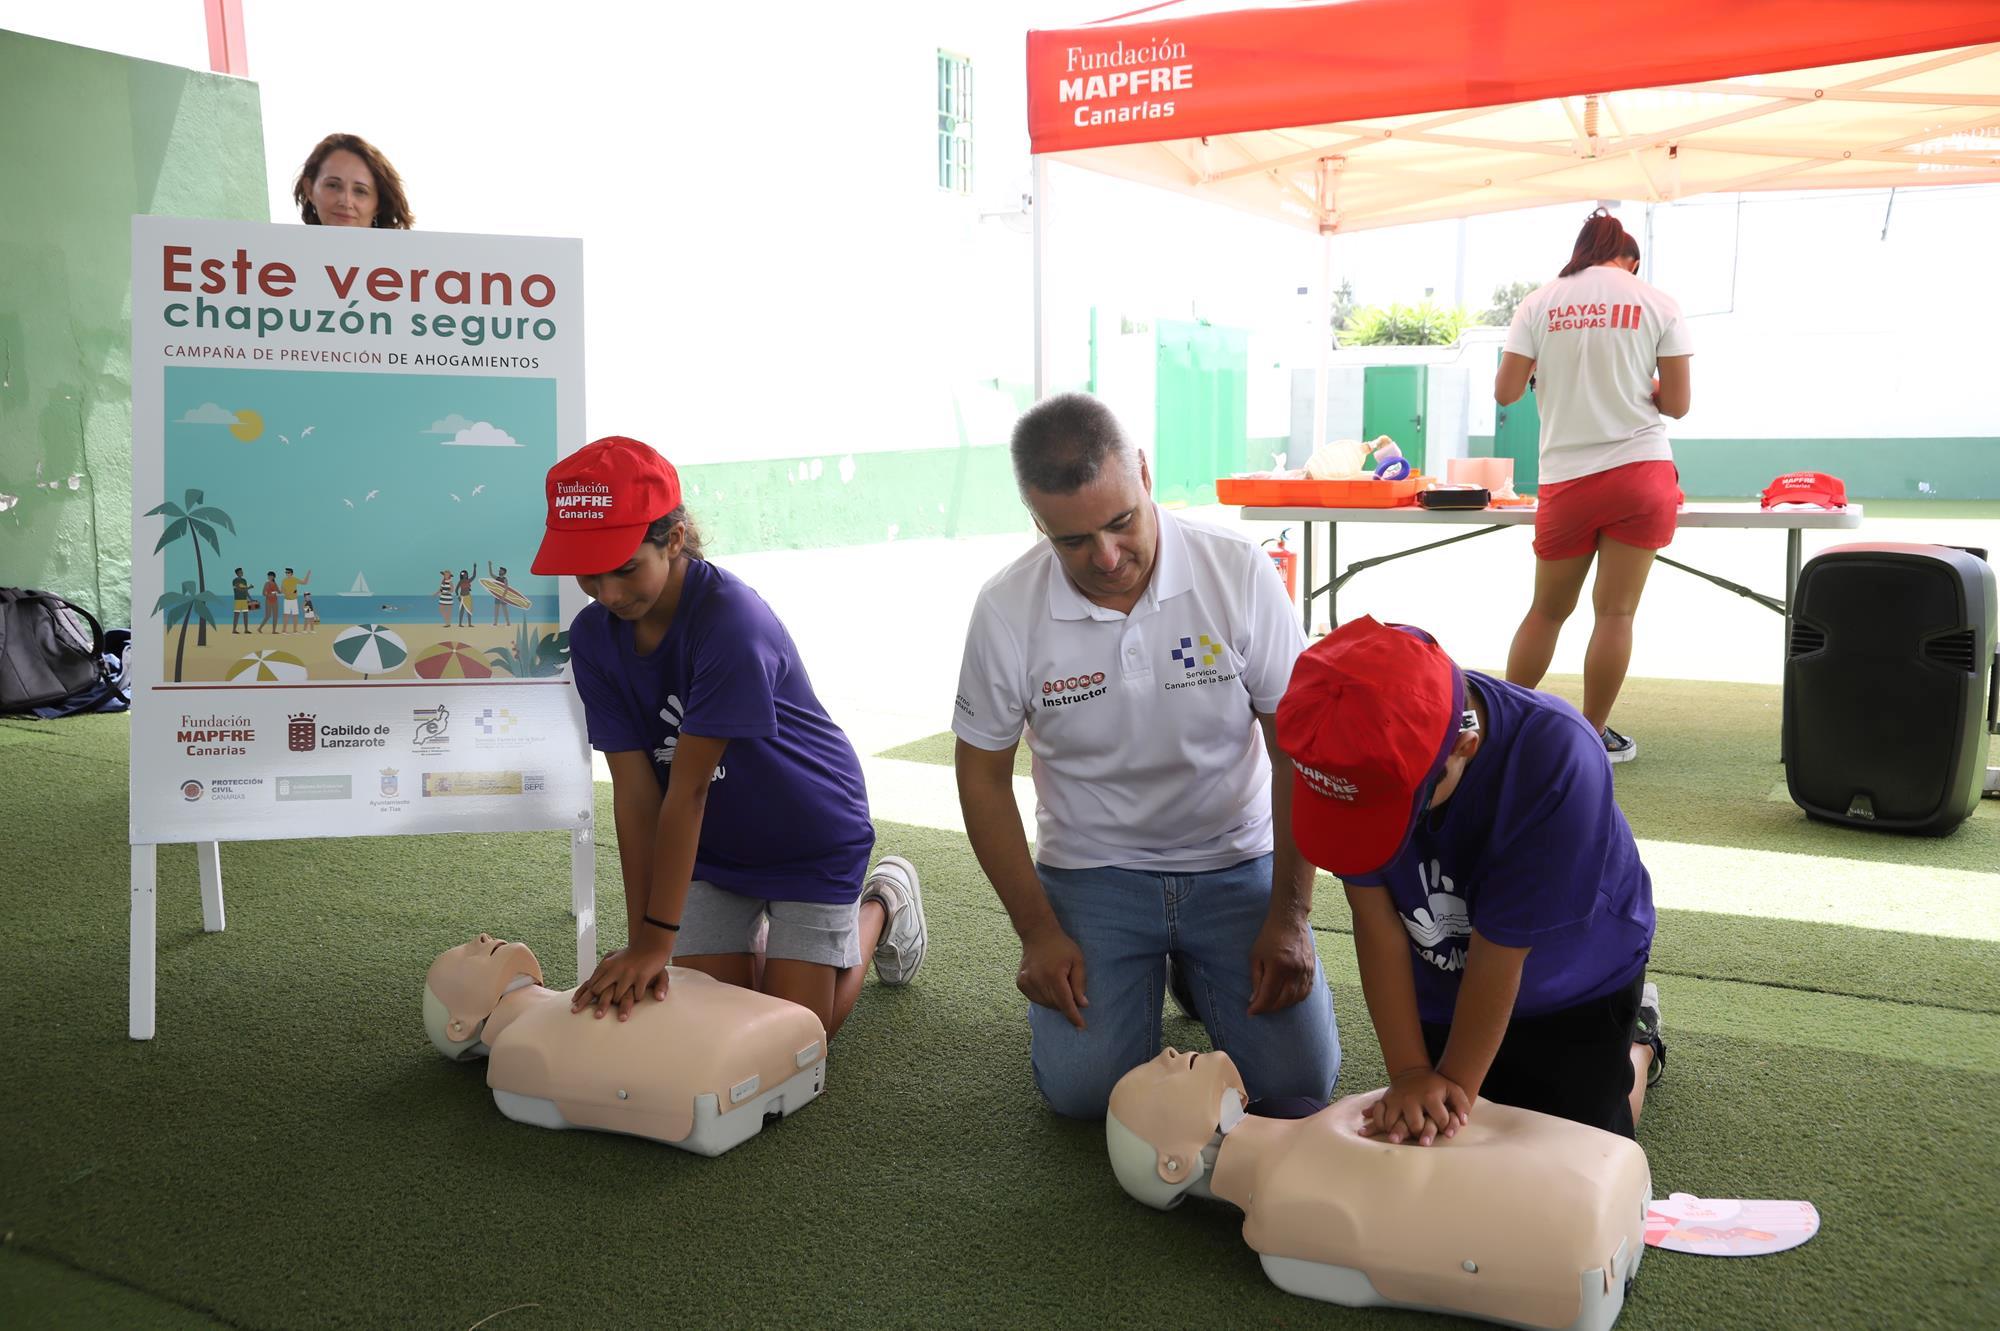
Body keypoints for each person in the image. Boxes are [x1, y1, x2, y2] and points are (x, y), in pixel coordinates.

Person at [952, 393, 1340, 1119]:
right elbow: (980, 775)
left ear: (1145, 474)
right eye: (1071, 541)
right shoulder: (1006, 607)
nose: (1106, 557)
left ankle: (1197, 964)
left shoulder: (1239, 570)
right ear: (1038, 523)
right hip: (1094, 870)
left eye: (1121, 520)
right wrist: (1037, 929)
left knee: (1300, 1087)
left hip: (1234, 858)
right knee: (1082, 1094)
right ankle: (1167, 961)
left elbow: (1296, 751)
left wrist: (1289, 912)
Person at [533, 435, 927, 1041]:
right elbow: (637, 794)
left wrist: (656, 943)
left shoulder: (729, 622)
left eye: (625, 568)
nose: (608, 593)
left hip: (808, 832)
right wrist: (644, 939)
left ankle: (883, 902)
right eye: (589, 574)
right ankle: (770, 939)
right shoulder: (592, 638)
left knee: (796, 1035)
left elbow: (686, 791)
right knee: (713, 1025)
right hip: (709, 849)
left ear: (674, 538)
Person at [1276, 616, 1666, 1146]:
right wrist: (1412, 1074)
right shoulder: (1339, 742)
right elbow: (1376, 924)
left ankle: (1637, 1043)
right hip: (1440, 963)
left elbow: (1501, 952)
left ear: (1464, 746)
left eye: (1391, 813)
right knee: (1467, 1131)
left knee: (1580, 1143)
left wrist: (1453, 1093)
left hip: (1574, 971)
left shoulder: (1558, 757)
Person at [1103, 1048, 1649, 1330]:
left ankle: (1638, 1048)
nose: (1168, 1054)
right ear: (1173, 1164)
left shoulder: (1310, 1145)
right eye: (1155, 1074)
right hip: (1580, 1229)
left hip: (1588, 1202)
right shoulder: (1282, 1209)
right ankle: (1640, 1047)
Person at [1495, 208, 1693, 764]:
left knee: (1546, 612)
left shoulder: (1539, 302)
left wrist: (1545, 372)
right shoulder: (1657, 302)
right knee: (1616, 614)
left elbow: (1506, 392)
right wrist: (1647, 387)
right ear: (1628, 260)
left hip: (1567, 478)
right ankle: (1592, 736)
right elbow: (1677, 405)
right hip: (1640, 472)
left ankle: (1510, 731)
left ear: (1581, 251)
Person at [425, 933, 829, 1157]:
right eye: (464, 954)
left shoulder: (552, 1016)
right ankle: (882, 902)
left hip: (732, 1057)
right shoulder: (518, 1050)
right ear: (458, 1026)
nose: (480, 938)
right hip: (725, 1070)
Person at [292, 133, 413, 229]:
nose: (346, 202)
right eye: (333, 185)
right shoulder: (281, 252)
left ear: (379, 203)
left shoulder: (410, 258)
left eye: (360, 191)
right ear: (309, 189)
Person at [280, 567, 311, 633]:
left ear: (291, 573)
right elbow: (282, 590)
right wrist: (287, 592)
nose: (287, 574)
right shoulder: (284, 580)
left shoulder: (294, 579)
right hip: (287, 600)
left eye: (288, 572)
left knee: (295, 615)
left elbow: (304, 582)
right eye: (286, 572)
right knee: (286, 615)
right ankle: (284, 630)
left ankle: (295, 630)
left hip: (294, 600)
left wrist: (308, 574)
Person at [487, 561, 513, 626]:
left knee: (505, 610)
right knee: (496, 610)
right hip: (497, 596)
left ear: (504, 572)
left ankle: (508, 622)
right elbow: (491, 574)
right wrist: (490, 565)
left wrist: (503, 596)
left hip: (503, 596)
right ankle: (495, 622)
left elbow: (506, 588)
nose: (499, 571)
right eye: (499, 570)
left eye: (501, 570)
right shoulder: (497, 578)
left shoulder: (505, 579)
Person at [230, 567, 250, 634]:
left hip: (244, 599)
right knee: (236, 615)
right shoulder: (234, 581)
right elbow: (238, 589)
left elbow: (246, 591)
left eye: (242, 571)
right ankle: (234, 629)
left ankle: (246, 629)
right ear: (237, 573)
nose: (242, 573)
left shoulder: (244, 580)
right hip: (237, 600)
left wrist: (250, 598)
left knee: (245, 615)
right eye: (241, 572)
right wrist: (248, 587)